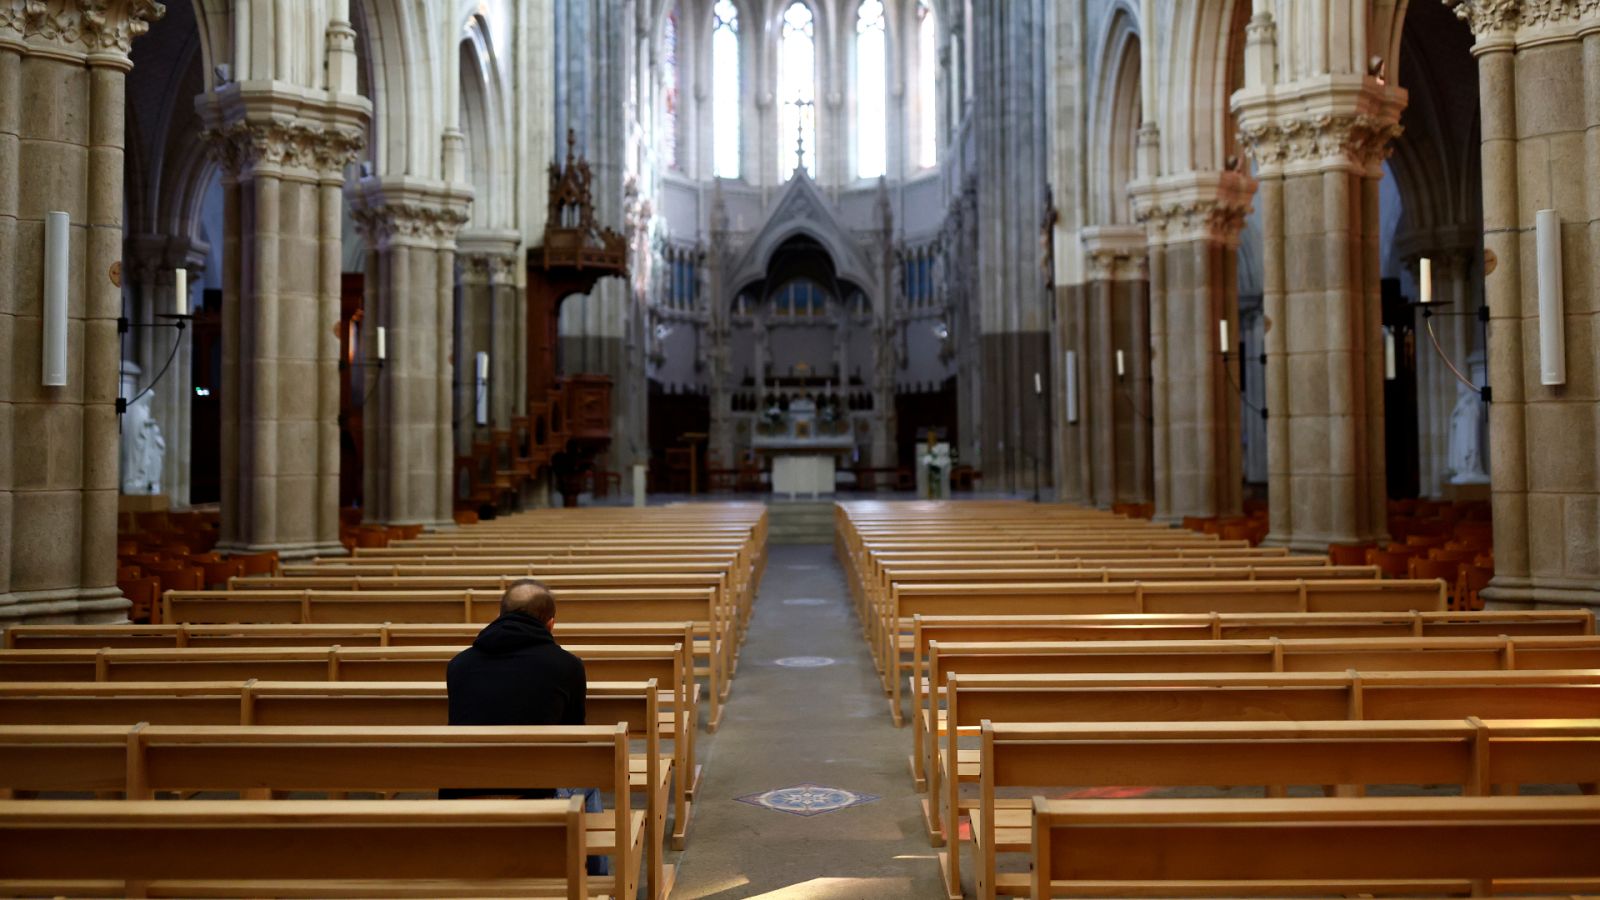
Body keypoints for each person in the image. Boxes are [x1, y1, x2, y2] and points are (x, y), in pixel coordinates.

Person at [442, 579, 587, 798]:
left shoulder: (459, 665)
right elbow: (575, 738)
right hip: (538, 796)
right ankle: (585, 831)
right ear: (551, 625)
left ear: (500, 617)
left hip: (463, 794)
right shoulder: (568, 666)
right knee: (588, 781)